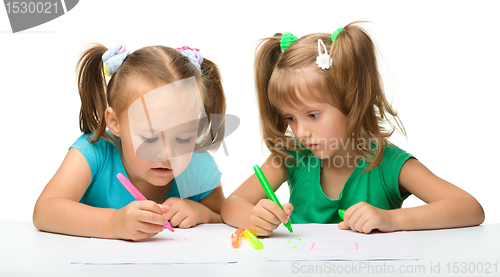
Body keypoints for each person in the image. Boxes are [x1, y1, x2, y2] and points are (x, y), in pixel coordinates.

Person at [221, 22, 484, 236]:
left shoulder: (388, 163)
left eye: (313, 115)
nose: (300, 132)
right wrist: (253, 218)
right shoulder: (292, 157)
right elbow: (232, 204)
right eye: (290, 118)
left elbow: (469, 208)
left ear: (351, 102)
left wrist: (390, 218)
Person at [33, 43, 226, 241]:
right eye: (150, 138)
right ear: (114, 122)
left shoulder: (200, 167)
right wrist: (114, 223)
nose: (167, 154)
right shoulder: (93, 152)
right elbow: (44, 211)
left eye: (183, 138)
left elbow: (225, 216)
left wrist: (203, 213)